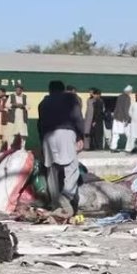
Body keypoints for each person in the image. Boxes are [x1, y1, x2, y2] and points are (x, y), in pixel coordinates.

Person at [38, 80, 85, 214]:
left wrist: (42, 141)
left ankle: (55, 203)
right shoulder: (71, 99)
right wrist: (80, 135)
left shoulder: (43, 103)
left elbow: (40, 123)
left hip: (48, 135)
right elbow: (77, 117)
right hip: (66, 133)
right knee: (72, 168)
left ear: (50, 90)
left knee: (51, 169)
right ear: (63, 89)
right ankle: (66, 195)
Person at [110, 85, 132, 153]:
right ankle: (129, 148)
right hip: (122, 119)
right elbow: (126, 109)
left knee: (115, 134)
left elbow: (116, 107)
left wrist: (114, 116)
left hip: (116, 118)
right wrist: (127, 119)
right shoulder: (127, 98)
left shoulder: (119, 96)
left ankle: (113, 148)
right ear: (128, 91)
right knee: (129, 134)